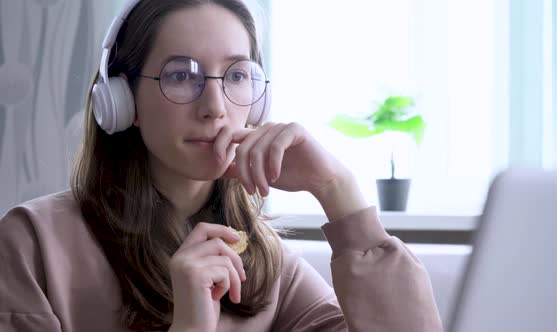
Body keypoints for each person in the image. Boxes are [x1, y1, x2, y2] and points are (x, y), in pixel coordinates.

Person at [0, 0, 442, 331]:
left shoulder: (269, 267)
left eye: (235, 75)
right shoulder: (32, 243)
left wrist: (337, 189)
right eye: (180, 75)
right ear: (122, 99)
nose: (215, 107)